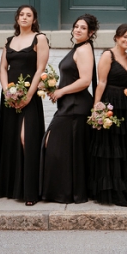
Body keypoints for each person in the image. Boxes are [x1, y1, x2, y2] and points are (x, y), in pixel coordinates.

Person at [0, 5, 49, 204]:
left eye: (29, 15)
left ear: (34, 19)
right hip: (9, 95)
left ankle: (31, 191)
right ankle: (10, 187)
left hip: (29, 96)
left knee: (27, 139)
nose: (24, 17)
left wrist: (28, 96)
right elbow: (2, 68)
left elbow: (40, 69)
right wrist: (6, 90)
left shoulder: (40, 38)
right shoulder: (10, 41)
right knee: (10, 140)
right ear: (17, 18)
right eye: (21, 15)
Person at [41, 14, 97, 204]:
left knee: (54, 144)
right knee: (64, 149)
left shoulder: (84, 50)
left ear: (90, 33)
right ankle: (65, 192)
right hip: (69, 105)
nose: (78, 30)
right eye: (76, 26)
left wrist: (61, 91)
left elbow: (85, 80)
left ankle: (65, 193)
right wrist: (54, 88)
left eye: (83, 28)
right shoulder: (78, 48)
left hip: (76, 107)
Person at [89, 23, 127, 207]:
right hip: (110, 103)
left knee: (124, 148)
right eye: (124, 36)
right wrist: (96, 108)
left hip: (126, 105)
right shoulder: (107, 55)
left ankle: (124, 189)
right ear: (117, 37)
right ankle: (111, 191)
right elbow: (101, 83)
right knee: (110, 148)